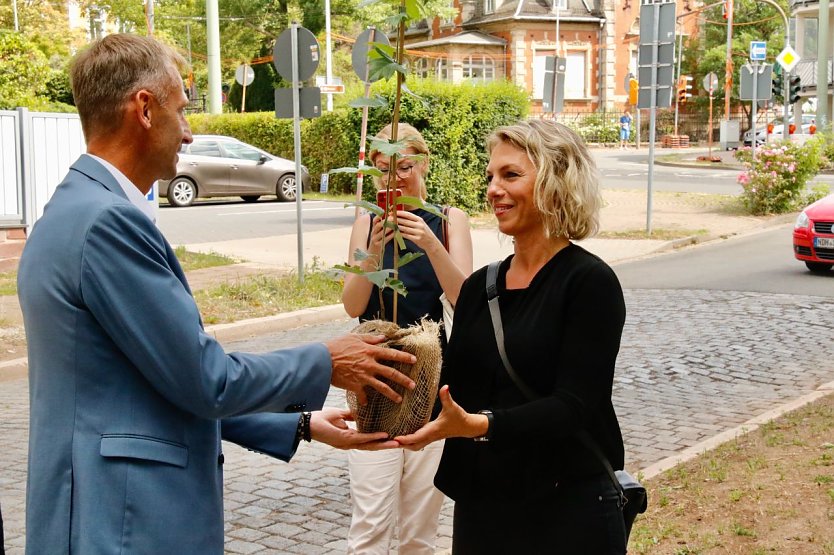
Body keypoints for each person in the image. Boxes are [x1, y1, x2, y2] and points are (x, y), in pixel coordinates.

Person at [17, 33, 417, 555]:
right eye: (182, 111)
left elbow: (161, 383)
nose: (187, 134)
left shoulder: (75, 208)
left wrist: (300, 425)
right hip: (121, 521)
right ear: (144, 109)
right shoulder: (107, 223)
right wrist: (326, 360)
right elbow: (205, 379)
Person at [396, 120, 628, 553]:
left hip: (566, 507)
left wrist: (482, 425)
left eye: (510, 175)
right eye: (490, 176)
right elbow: (452, 387)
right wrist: (386, 381)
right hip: (484, 508)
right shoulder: (480, 287)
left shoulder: (588, 282)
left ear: (557, 183)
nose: (493, 189)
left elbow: (575, 405)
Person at [342, 123, 474, 554]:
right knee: (370, 525)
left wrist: (432, 244)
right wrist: (372, 255)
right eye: (383, 169)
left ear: (424, 163)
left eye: (405, 166)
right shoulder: (366, 222)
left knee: (420, 531)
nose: (394, 178)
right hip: (375, 377)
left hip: (430, 382)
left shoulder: (451, 220)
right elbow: (353, 305)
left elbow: (464, 300)